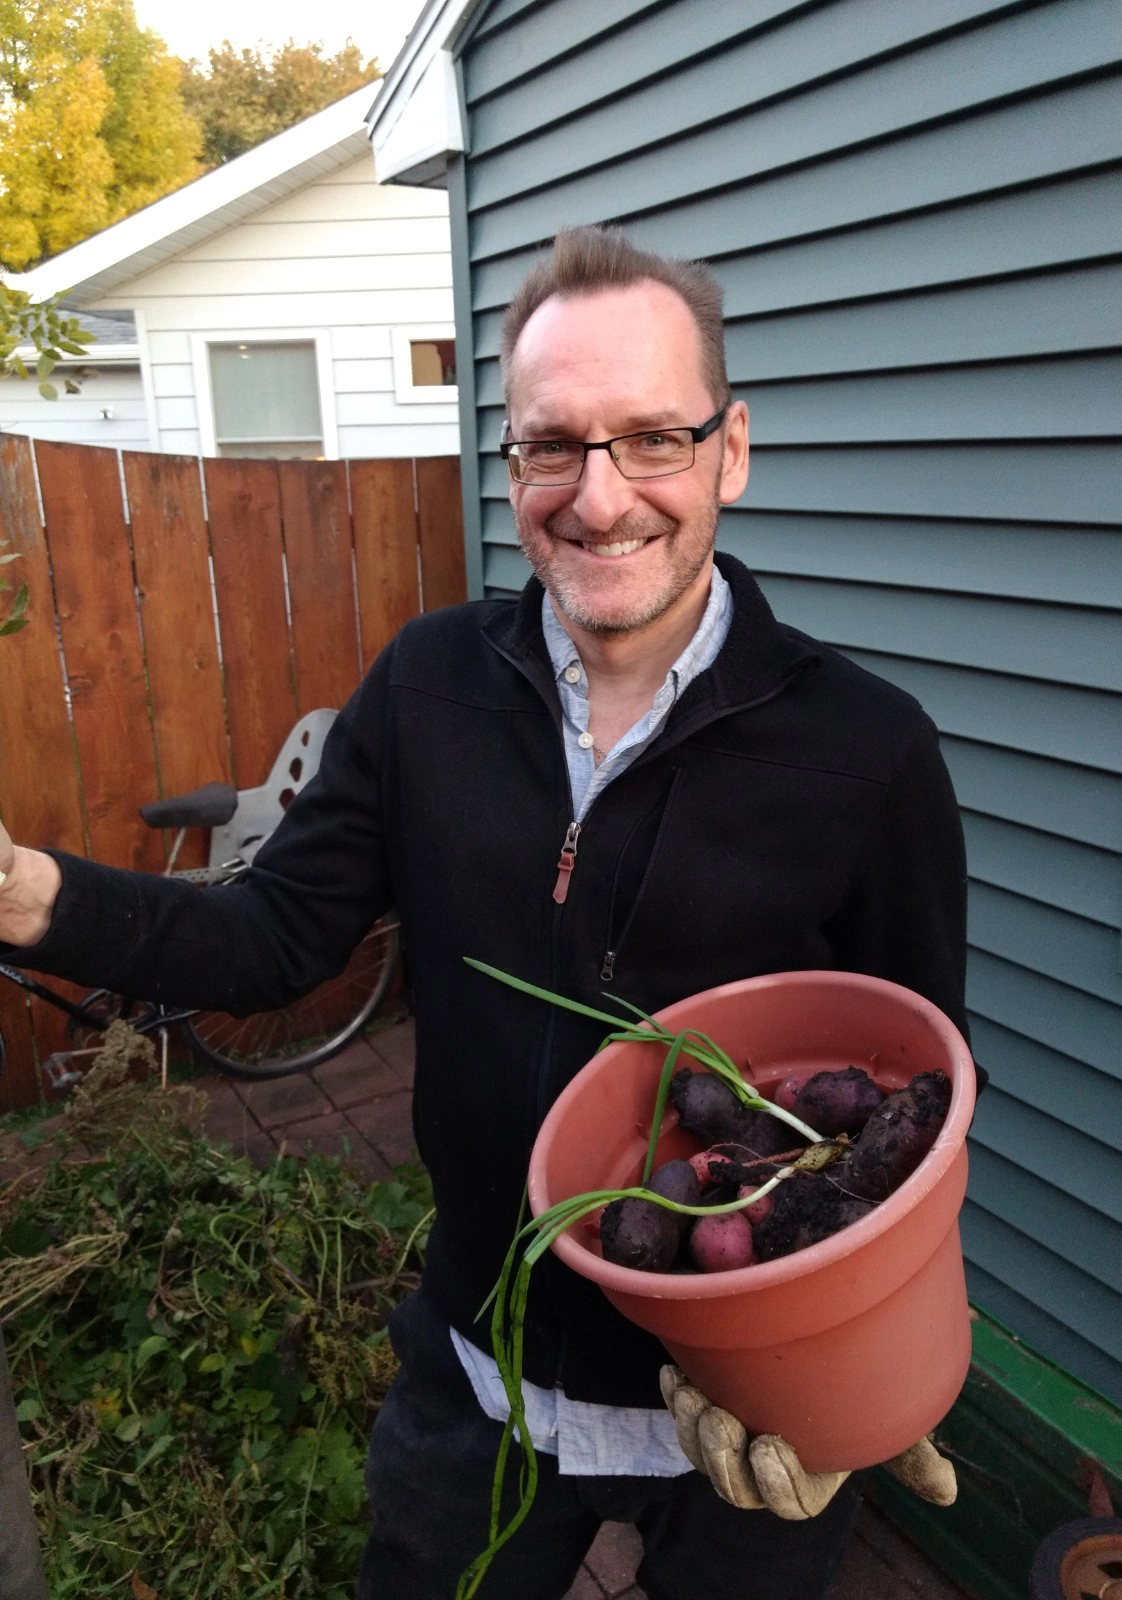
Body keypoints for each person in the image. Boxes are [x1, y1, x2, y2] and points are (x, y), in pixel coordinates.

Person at [0, 225, 974, 1600]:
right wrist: (28, 895)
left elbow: (921, 1095)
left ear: (731, 451)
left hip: (744, 1407)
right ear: (508, 463)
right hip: (484, 1364)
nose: (599, 496)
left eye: (652, 439)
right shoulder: (427, 687)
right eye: (551, 445)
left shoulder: (869, 754)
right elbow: (271, 939)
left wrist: (869, 1376)